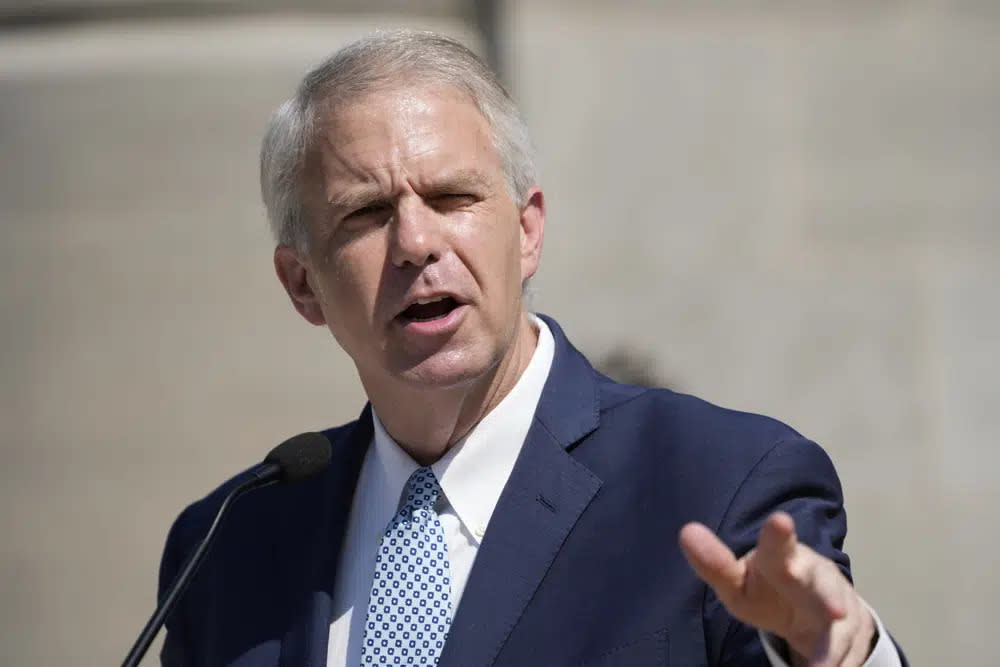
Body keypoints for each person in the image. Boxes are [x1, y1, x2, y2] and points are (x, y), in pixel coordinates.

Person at [159, 30, 907, 667]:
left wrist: (840, 651)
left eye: (453, 197)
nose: (418, 242)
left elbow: (814, 630)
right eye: (367, 212)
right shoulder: (226, 546)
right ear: (303, 286)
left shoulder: (719, 483)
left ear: (527, 232)